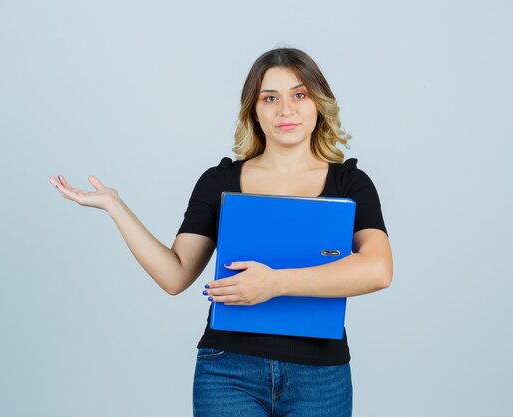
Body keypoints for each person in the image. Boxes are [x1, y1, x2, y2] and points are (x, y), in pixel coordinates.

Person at [49, 46, 393, 417]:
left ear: (318, 104)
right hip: (229, 369)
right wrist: (116, 207)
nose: (286, 110)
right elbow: (174, 275)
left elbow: (378, 269)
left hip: (321, 375)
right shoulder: (220, 181)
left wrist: (275, 283)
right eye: (270, 98)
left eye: (299, 95)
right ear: (254, 111)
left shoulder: (349, 183)